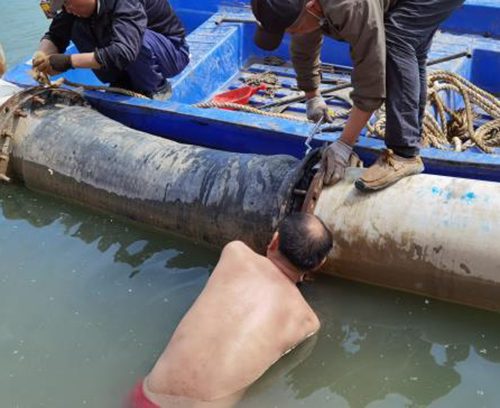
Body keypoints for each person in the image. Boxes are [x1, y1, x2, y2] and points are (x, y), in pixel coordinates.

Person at [251, 0, 464, 192]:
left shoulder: (350, 5)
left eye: (294, 28)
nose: (293, 35)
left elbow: (371, 79)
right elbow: (304, 39)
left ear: (313, 7)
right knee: (411, 45)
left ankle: (404, 154)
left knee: (398, 39)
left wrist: (344, 144)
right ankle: (412, 136)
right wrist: (312, 95)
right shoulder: (306, 8)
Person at [130, 213, 333, 408]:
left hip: (147, 397)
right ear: (319, 264)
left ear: (274, 241)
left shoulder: (235, 253)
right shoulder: (307, 322)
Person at [33, 0, 190, 98]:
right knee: (76, 26)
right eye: (63, 5)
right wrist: (41, 57)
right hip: (129, 54)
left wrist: (68, 61)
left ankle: (156, 87)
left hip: (171, 53)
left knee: (132, 40)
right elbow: (55, 35)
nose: (67, 8)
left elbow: (125, 51)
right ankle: (120, 81)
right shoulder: (72, 8)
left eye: (67, 3)